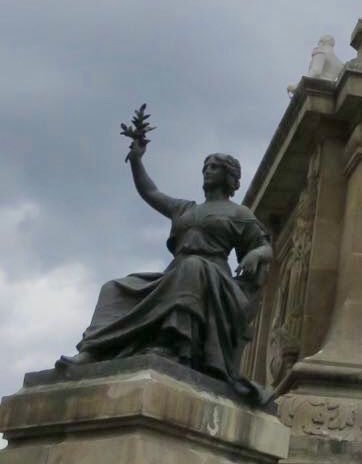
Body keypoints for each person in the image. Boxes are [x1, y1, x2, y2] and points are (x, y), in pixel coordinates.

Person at [56, 105, 272, 403]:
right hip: (178, 274)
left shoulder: (240, 214)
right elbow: (150, 192)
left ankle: (174, 346)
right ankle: (91, 349)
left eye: (214, 167)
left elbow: (264, 245)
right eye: (205, 166)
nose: (207, 171)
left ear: (228, 176)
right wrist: (136, 160)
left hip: (213, 280)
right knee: (116, 288)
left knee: (192, 267)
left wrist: (256, 255)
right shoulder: (186, 209)